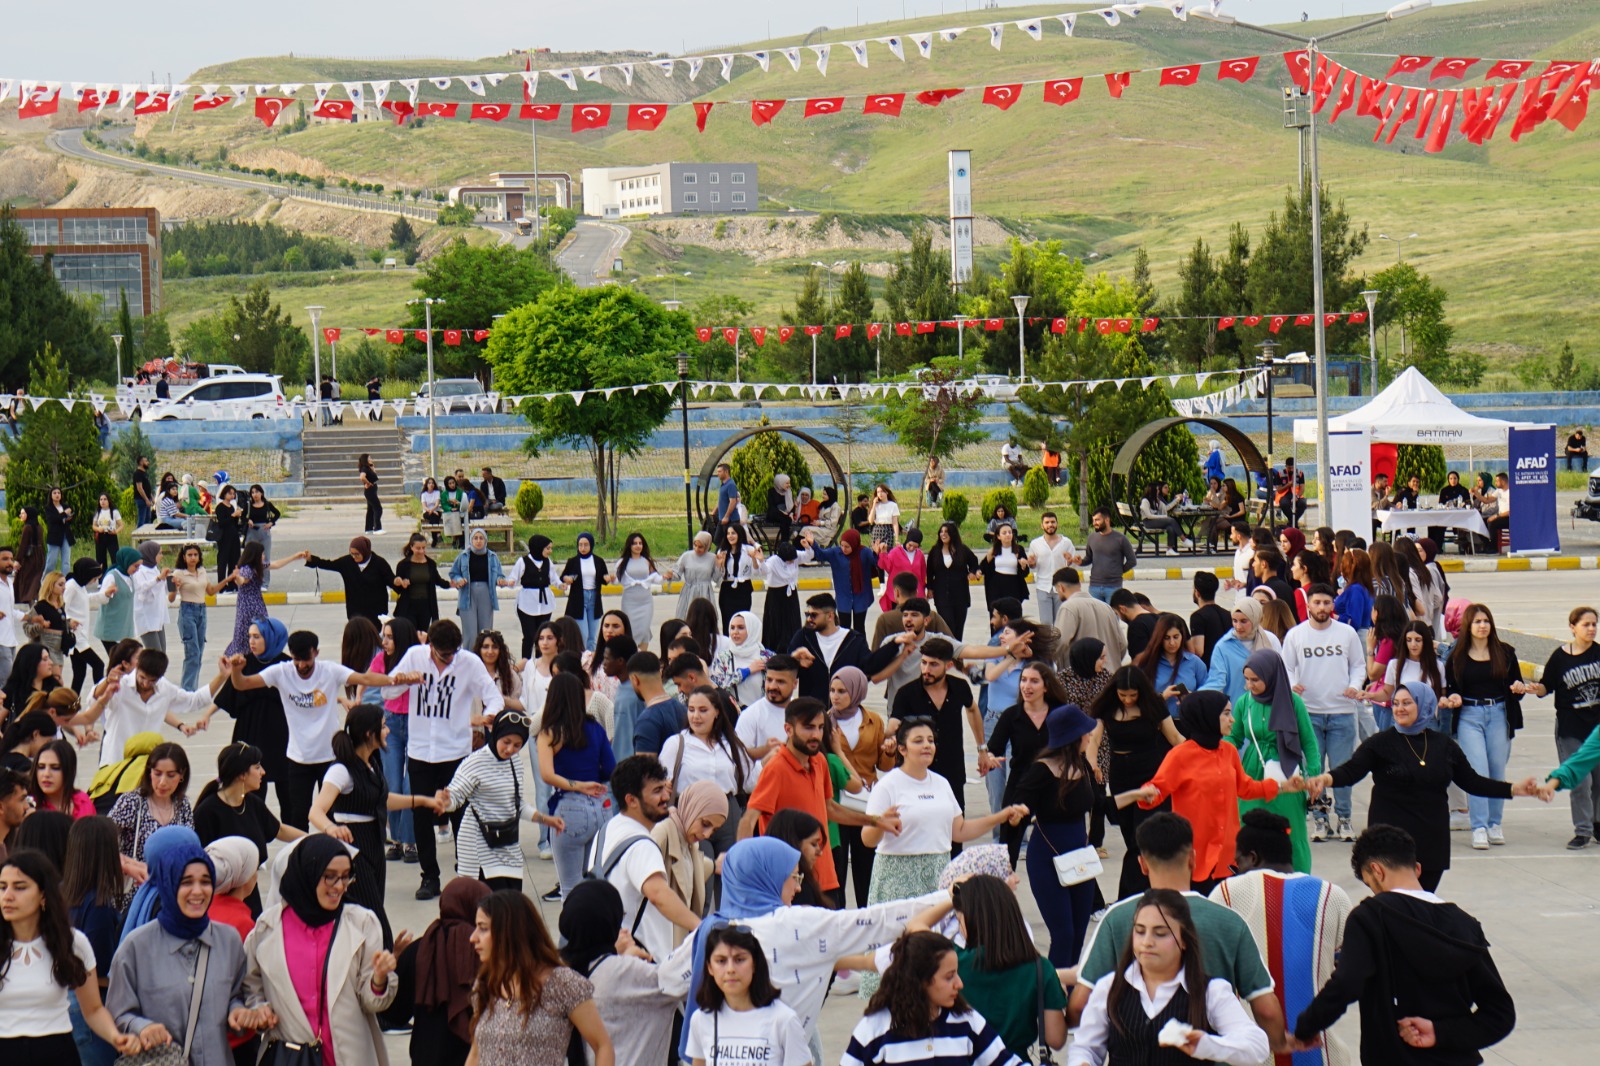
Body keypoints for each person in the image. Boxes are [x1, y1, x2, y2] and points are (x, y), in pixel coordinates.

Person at [1289, 825, 1515, 1064]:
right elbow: (1500, 1014)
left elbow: (1346, 984)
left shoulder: (1370, 916)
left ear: (1376, 871)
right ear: (1417, 869)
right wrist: (1440, 1032)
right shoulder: (1466, 925)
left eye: (1369, 883)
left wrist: (1305, 1029)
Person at [1307, 681, 1536, 892]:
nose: (1399, 709)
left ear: (1424, 704)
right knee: (1392, 909)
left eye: (1407, 703)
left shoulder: (1443, 745)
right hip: (1389, 844)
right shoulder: (1380, 743)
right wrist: (1326, 779)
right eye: (1395, 704)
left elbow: (1472, 782)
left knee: (1422, 906)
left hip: (1430, 841)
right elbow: (1350, 771)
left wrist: (1513, 789)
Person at [860, 716, 1028, 962]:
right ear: (902, 749)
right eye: (918, 741)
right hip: (897, 876)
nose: (927, 745)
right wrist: (879, 823)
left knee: (935, 954)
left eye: (930, 740)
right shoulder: (888, 786)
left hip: (938, 873)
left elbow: (959, 831)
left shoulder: (941, 783)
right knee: (898, 953)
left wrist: (1000, 817)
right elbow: (868, 840)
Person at [1209, 809, 1353, 1066]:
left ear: (1252, 858)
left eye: (1237, 863)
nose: (1236, 870)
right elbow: (1347, 978)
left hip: (1251, 1055)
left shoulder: (1228, 893)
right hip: (1322, 1053)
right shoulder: (1334, 896)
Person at [1119, 692, 1301, 893]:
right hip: (1194, 855)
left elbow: (1245, 787)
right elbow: (1155, 791)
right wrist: (1146, 794)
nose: (1232, 720)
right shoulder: (1180, 755)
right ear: (1207, 716)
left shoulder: (1229, 751)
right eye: (1226, 714)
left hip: (1228, 855)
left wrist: (1283, 786)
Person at [240, 835, 400, 1063]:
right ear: (308, 873)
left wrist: (379, 979)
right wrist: (260, 1010)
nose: (339, 887)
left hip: (347, 1056)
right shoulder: (268, 929)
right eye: (330, 877)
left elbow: (371, 1002)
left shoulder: (362, 923)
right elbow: (251, 986)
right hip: (292, 1058)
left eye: (346, 877)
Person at [1071, 889, 1271, 1066]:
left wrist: (1208, 1045)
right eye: (1140, 932)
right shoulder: (1110, 987)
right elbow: (1085, 1046)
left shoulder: (1210, 991)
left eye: (1160, 934)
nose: (1147, 942)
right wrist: (1083, 1061)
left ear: (1183, 940)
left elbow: (1256, 1045)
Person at [105, 832, 257, 1063]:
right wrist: (142, 1027)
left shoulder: (229, 940)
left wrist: (239, 1012)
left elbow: (236, 995)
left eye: (205, 881)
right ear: (168, 884)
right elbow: (117, 1013)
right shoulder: (136, 947)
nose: (198, 891)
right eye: (186, 882)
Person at [225, 628, 392, 831]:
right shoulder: (281, 672)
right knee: (298, 815)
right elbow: (243, 684)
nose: (302, 666)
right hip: (298, 759)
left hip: (329, 758)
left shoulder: (330, 671)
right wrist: (236, 670)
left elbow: (365, 679)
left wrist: (396, 680)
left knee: (331, 815)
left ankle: (332, 857)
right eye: (297, 660)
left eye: (306, 660)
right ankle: (300, 858)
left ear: (316, 653)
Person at [386, 619, 505, 900]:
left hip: (455, 753)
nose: (448, 659)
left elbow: (494, 697)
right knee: (421, 815)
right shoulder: (415, 656)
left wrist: (485, 720)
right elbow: (388, 692)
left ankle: (466, 873)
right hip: (420, 751)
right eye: (443, 655)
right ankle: (430, 876)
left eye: (452, 654)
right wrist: (402, 680)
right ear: (431, 648)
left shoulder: (469, 663)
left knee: (460, 816)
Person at [310, 706, 444, 941]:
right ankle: (383, 967)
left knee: (369, 916)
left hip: (374, 846)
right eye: (383, 726)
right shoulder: (341, 770)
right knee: (374, 920)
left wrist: (422, 800)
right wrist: (331, 828)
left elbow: (381, 800)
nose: (388, 730)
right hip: (353, 850)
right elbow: (316, 811)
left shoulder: (372, 763)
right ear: (369, 734)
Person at [0, 849, 142, 1058]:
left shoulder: (73, 942)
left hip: (56, 1052)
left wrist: (115, 1037)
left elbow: (93, 1010)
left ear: (43, 895)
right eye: (2, 887)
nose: (8, 896)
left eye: (20, 887)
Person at [463, 889, 612, 1066]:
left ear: (509, 932)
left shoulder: (561, 983)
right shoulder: (487, 982)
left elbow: (602, 1045)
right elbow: (476, 1052)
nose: (473, 938)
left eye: (483, 928)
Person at [843, 930, 1020, 1066]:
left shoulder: (967, 1021)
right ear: (920, 980)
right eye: (949, 977)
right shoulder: (875, 1028)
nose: (959, 984)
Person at [1440, 602, 1528, 850]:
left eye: (1486, 621)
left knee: (1497, 770)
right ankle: (1478, 826)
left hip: (1499, 713)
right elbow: (1452, 688)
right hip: (1469, 715)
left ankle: (1494, 824)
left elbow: (1517, 687)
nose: (1482, 626)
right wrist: (1454, 698)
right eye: (1477, 622)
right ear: (1468, 625)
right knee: (1477, 772)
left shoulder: (1506, 652)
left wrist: (1519, 689)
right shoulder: (1457, 656)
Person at [380, 877, 490, 1066]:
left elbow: (394, 1015)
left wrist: (391, 970)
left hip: (426, 1057)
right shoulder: (486, 951)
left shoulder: (420, 949)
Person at [1228, 649, 1320, 872]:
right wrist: (1218, 753)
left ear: (1270, 676)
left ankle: (1297, 877)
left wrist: (1315, 777)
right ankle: (1250, 877)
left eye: (1255, 680)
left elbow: (1309, 742)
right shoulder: (1244, 703)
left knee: (1291, 830)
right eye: (1247, 679)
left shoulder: (1293, 702)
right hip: (1252, 770)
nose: (1249, 685)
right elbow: (1235, 737)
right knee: (1249, 829)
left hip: (1286, 771)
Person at [527, 673, 611, 899]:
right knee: (596, 883)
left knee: (570, 889)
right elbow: (610, 768)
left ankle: (571, 935)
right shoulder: (595, 727)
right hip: (601, 808)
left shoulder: (550, 732)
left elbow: (547, 775)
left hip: (569, 810)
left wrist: (576, 785)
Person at [687, 924, 811, 1066]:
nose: (730, 969)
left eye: (739, 960)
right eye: (721, 961)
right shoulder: (701, 1019)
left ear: (755, 964)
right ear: (710, 967)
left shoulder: (783, 1019)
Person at [1528, 606, 1600, 848]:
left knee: (1599, 780)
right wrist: (1533, 688)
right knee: (1580, 780)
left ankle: (1597, 823)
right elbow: (1545, 686)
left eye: (1594, 624)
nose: (1591, 629)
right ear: (1572, 627)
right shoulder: (1560, 658)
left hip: (1596, 726)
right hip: (1571, 728)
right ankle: (1582, 830)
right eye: (1586, 625)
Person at [886, 636, 985, 808]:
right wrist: (890, 738)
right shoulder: (906, 693)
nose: (926, 669)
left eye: (933, 664)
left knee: (954, 828)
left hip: (952, 770)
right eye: (923, 663)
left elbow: (972, 709)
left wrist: (982, 749)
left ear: (948, 666)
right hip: (917, 773)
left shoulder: (959, 687)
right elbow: (894, 724)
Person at [650, 779, 728, 941]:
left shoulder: (688, 841)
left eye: (713, 830)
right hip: (656, 941)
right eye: (705, 824)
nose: (706, 834)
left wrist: (715, 865)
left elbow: (693, 865)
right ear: (692, 808)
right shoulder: (661, 833)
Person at [217, 540, 295, 656]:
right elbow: (242, 581)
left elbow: (277, 565)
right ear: (255, 555)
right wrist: (236, 577)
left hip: (255, 606)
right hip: (249, 609)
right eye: (262, 554)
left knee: (256, 634)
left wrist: (295, 557)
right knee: (252, 635)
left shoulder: (256, 567)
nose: (264, 556)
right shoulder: (247, 569)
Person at [1201, 595, 1282, 702]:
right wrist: (1196, 696)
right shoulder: (1223, 646)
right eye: (1234, 621)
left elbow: (1279, 674)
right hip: (1237, 710)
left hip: (1266, 707)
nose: (1238, 627)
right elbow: (1216, 681)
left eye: (1244, 621)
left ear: (1256, 619)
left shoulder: (1269, 640)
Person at [1050, 567, 1125, 669]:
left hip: (1082, 678)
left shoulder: (1068, 607)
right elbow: (1122, 644)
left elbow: (1060, 642)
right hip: (1110, 676)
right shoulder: (1106, 607)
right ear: (1079, 584)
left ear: (1060, 587)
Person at [1134, 613, 1207, 718]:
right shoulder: (1147, 664)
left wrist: (1194, 697)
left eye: (1176, 637)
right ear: (1159, 638)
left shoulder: (1194, 662)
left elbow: (1208, 692)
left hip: (1188, 722)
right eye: (1167, 638)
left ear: (1182, 636)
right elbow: (1138, 698)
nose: (1172, 643)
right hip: (1158, 723)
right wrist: (1162, 697)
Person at [809, 528, 876, 635]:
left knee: (859, 628)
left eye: (847, 547)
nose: (844, 549)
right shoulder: (836, 553)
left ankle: (861, 650)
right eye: (842, 545)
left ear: (854, 545)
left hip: (861, 597)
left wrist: (877, 553)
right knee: (843, 629)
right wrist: (813, 543)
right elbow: (821, 554)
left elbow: (878, 563)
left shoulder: (864, 552)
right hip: (843, 598)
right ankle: (844, 650)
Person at [924, 522, 980, 639]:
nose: (943, 534)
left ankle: (958, 655)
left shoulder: (962, 550)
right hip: (942, 596)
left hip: (961, 595)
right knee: (948, 626)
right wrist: (930, 588)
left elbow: (974, 562)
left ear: (953, 534)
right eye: (941, 532)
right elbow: (929, 572)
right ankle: (949, 653)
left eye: (946, 532)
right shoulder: (935, 551)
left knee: (959, 628)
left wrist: (972, 572)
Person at [560, 532, 609, 650]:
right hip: (578, 599)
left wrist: (607, 578)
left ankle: (591, 662)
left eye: (586, 545)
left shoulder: (598, 561)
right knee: (583, 634)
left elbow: (604, 578)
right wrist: (566, 579)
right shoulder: (573, 561)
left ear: (591, 545)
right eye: (580, 545)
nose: (583, 548)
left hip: (594, 598)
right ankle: (582, 659)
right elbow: (563, 577)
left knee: (592, 636)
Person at [393, 534, 451, 633]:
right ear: (411, 547)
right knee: (410, 634)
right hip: (408, 606)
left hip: (426, 606)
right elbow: (397, 588)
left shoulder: (430, 564)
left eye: (423, 548)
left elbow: (437, 580)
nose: (421, 551)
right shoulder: (403, 565)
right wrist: (400, 583)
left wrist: (450, 584)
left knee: (423, 634)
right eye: (418, 548)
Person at [1082, 508, 1137, 604]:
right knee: (1096, 617)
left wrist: (1119, 571)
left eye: (1097, 520)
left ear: (1107, 520)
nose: (1094, 523)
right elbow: (1088, 558)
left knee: (1111, 617)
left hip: (1113, 587)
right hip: (1094, 586)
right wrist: (1080, 562)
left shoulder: (1121, 539)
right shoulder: (1092, 538)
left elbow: (1132, 561)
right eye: (1093, 520)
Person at [28, 739, 94, 818]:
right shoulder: (27, 804)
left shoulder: (82, 802)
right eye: (41, 767)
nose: (46, 774)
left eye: (55, 768)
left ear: (68, 770)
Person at [980, 522, 1030, 612]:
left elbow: (1025, 573)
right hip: (996, 586)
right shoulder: (994, 551)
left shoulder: (1019, 549)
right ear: (998, 536)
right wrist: (988, 559)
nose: (1008, 535)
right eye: (1004, 533)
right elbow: (983, 569)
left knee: (1013, 615)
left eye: (1010, 532)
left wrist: (1023, 566)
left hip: (1013, 585)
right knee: (997, 614)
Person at [1188, 571, 1231, 666]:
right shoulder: (1228, 614)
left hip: (1209, 672)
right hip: (1227, 667)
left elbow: (1198, 651)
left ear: (1197, 593)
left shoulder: (1198, 617)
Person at [211, 485, 242, 583]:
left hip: (233, 535)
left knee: (234, 560)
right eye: (230, 493)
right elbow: (222, 522)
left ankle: (232, 583)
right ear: (224, 494)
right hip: (224, 536)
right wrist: (233, 515)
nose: (232, 496)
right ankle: (222, 583)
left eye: (233, 494)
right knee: (223, 560)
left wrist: (237, 516)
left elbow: (234, 523)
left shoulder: (232, 506)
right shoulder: (220, 507)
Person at [131, 455, 154, 530]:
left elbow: (147, 488)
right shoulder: (138, 474)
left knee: (148, 519)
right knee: (142, 520)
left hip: (147, 499)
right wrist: (146, 499)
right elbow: (139, 488)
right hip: (141, 500)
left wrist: (151, 497)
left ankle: (146, 536)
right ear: (141, 462)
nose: (148, 463)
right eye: (146, 461)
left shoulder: (145, 474)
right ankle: (140, 538)